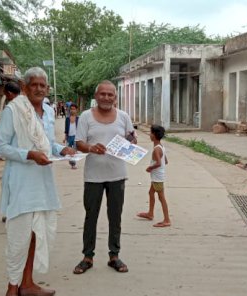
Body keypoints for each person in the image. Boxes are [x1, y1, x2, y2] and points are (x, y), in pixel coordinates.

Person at [0, 67, 76, 296]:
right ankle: (12, 286)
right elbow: (0, 148)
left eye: (43, 85)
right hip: (21, 180)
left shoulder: (49, 111)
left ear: (48, 89)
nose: (39, 89)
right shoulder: (13, 110)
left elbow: (47, 142)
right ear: (24, 86)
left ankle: (28, 283)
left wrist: (63, 150)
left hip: (42, 180)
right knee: (18, 234)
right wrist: (29, 154)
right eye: (34, 85)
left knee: (37, 233)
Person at [72, 80, 136, 275]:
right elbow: (79, 143)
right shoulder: (85, 117)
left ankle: (114, 255)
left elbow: (131, 139)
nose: (106, 98)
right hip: (93, 176)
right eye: (103, 94)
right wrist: (91, 148)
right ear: (96, 96)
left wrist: (132, 141)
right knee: (91, 216)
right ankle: (87, 256)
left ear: (115, 98)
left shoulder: (123, 117)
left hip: (117, 175)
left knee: (115, 216)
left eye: (110, 95)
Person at [137, 125, 171, 227]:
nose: (149, 135)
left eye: (151, 133)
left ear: (154, 135)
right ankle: (150, 213)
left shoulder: (156, 149)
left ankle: (167, 220)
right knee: (151, 192)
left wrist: (150, 168)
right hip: (157, 176)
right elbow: (166, 161)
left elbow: (159, 163)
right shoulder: (161, 146)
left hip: (157, 177)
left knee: (161, 198)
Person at [0, 81, 22, 223]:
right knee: (11, 184)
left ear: (8, 93)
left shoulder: (11, 109)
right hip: (17, 152)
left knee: (10, 184)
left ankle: (10, 212)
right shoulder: (23, 106)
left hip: (15, 153)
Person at [63, 104, 80, 169]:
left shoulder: (78, 119)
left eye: (74, 109)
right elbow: (66, 129)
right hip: (69, 137)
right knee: (69, 151)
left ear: (76, 110)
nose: (72, 110)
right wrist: (65, 137)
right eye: (71, 109)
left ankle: (73, 164)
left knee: (74, 151)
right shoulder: (67, 119)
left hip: (76, 137)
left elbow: (81, 129)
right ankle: (71, 163)